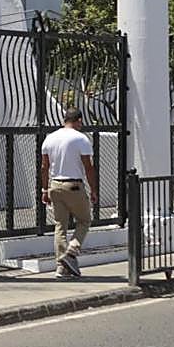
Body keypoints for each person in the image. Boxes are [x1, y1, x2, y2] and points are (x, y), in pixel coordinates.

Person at [40, 106, 99, 278]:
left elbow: (44, 167)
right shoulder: (81, 139)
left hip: (55, 186)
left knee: (60, 226)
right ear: (79, 121)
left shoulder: (49, 139)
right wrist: (93, 189)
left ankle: (61, 267)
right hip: (74, 186)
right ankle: (72, 251)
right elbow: (88, 168)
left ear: (64, 120)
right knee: (84, 220)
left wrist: (45, 189)